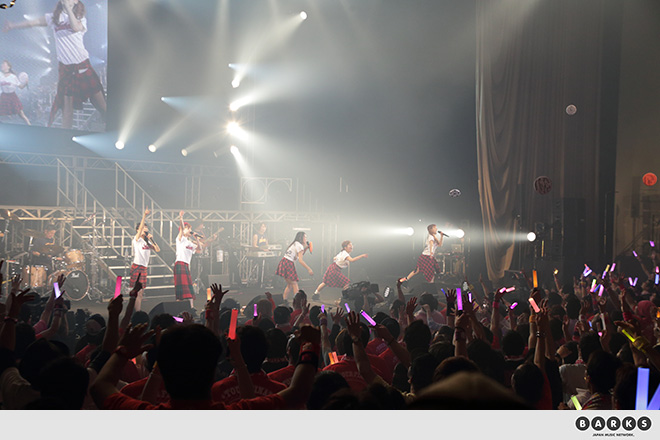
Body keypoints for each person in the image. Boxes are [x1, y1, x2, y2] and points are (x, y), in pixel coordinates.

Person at [4, 0, 106, 129]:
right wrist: (13, 25)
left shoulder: (80, 17)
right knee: (67, 109)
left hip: (82, 66)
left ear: (76, 1)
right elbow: (32, 23)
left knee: (101, 104)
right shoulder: (53, 18)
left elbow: (75, 28)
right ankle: (63, 138)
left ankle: (111, 125)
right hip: (66, 69)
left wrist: (69, 9)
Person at [131, 208, 159, 311]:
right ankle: (137, 312)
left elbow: (157, 249)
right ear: (138, 230)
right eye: (143, 228)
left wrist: (151, 239)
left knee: (141, 292)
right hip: (137, 266)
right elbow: (140, 229)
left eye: (146, 228)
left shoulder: (147, 241)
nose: (145, 229)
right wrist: (144, 215)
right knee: (138, 292)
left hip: (144, 267)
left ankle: (136, 310)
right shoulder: (137, 239)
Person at [276, 232, 313, 302]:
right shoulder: (300, 246)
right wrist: (309, 269)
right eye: (305, 237)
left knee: (290, 284)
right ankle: (298, 302)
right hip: (288, 263)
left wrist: (305, 249)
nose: (306, 239)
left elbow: (297, 257)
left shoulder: (295, 243)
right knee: (294, 284)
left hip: (284, 262)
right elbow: (300, 260)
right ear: (301, 238)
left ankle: (284, 300)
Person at [174, 211, 201, 308]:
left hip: (186, 265)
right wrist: (181, 218)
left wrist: (197, 239)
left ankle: (191, 307)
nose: (190, 230)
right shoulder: (180, 239)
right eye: (188, 228)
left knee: (189, 288)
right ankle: (179, 307)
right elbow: (181, 228)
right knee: (181, 289)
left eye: (190, 228)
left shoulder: (190, 242)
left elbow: (199, 249)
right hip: (180, 263)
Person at [0, 60, 30, 125]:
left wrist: (25, 83)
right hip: (4, 96)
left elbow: (21, 87)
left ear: (8, 67)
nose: (2, 65)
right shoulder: (0, 75)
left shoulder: (13, 77)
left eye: (4, 64)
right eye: (2, 64)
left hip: (12, 96)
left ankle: (29, 125)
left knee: (21, 113)